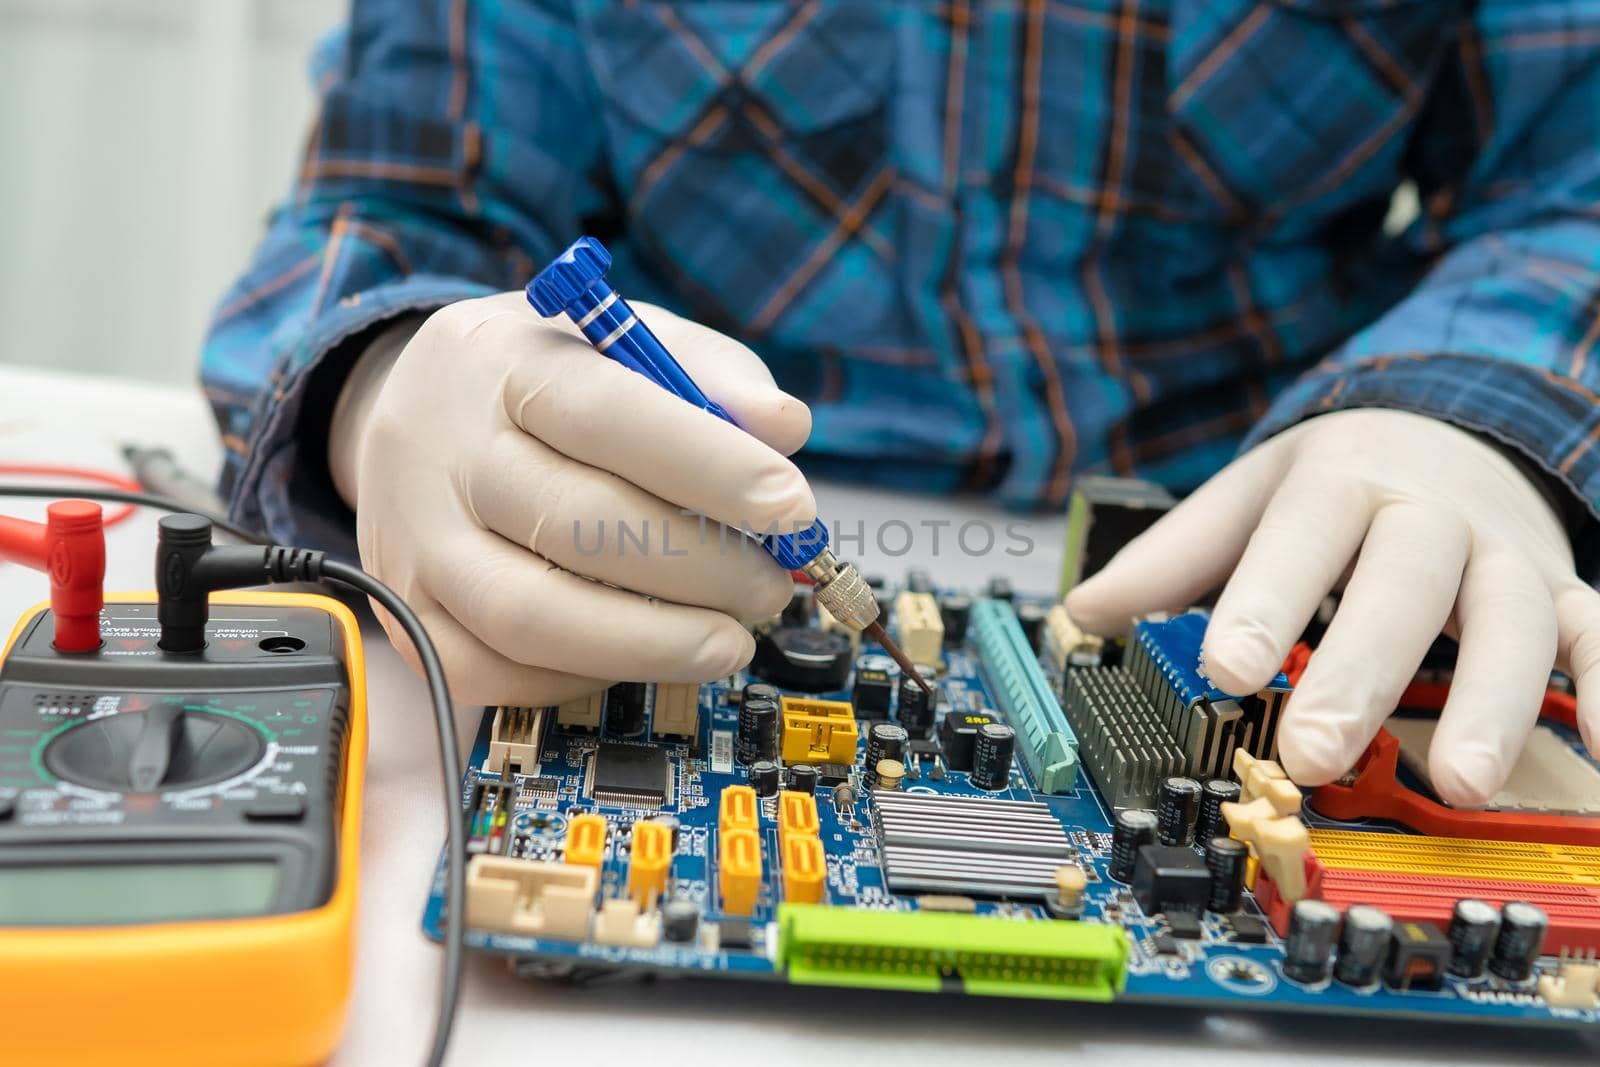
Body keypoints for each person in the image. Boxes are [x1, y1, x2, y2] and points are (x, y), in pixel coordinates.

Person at [202, 1, 1600, 808]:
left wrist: (1457, 413)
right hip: (662, 548)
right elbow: (395, 203)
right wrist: (388, 382)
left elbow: (1572, 176)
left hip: (1277, 548)